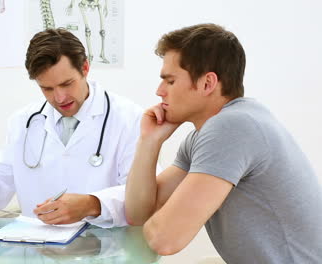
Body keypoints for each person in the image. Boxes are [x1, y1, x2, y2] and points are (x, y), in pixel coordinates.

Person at [125, 23, 322, 263]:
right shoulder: (206, 134)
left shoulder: (233, 127)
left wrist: (157, 222)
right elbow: (137, 214)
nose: (159, 91)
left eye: (170, 81)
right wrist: (149, 141)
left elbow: (164, 239)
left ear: (207, 83)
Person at [0, 28, 143, 227]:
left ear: (85, 67)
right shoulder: (24, 121)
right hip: (38, 246)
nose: (60, 97)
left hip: (106, 249)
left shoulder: (128, 118)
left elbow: (143, 193)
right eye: (47, 88)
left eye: (67, 84)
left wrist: (91, 204)